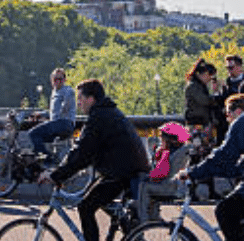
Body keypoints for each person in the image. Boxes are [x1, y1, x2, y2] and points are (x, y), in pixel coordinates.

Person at [42, 79, 150, 241]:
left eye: (80, 98)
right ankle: (131, 233)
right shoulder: (107, 112)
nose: (78, 103)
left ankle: (130, 233)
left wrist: (55, 175)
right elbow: (85, 153)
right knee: (94, 200)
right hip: (127, 170)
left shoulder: (98, 117)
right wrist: (62, 173)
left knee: (85, 207)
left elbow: (81, 153)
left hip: (121, 173)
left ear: (91, 99)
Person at [178, 94, 244, 241]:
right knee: (237, 224)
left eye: (228, 112)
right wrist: (212, 172)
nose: (227, 116)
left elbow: (223, 155)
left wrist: (192, 172)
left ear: (238, 110)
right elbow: (237, 166)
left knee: (224, 211)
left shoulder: (243, 123)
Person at [135, 122, 191, 222]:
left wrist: (148, 176)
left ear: (171, 140)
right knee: (152, 185)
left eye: (162, 138)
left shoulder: (167, 154)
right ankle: (154, 214)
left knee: (144, 186)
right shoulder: (181, 152)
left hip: (168, 187)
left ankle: (143, 218)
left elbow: (160, 173)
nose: (161, 141)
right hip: (175, 186)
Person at [183, 59, 222, 201]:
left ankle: (210, 190)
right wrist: (216, 95)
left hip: (204, 126)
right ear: (202, 73)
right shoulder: (193, 87)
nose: (209, 79)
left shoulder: (200, 86)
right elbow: (205, 101)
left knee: (207, 157)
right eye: (209, 75)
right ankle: (191, 190)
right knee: (195, 157)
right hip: (196, 127)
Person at [28, 68, 76, 159]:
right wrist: (40, 114)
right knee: (39, 141)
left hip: (64, 123)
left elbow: (66, 106)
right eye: (55, 79)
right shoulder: (54, 92)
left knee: (33, 133)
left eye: (60, 79)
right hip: (57, 124)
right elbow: (53, 112)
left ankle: (47, 158)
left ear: (64, 80)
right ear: (51, 80)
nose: (57, 81)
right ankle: (50, 159)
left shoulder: (68, 90)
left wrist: (63, 107)